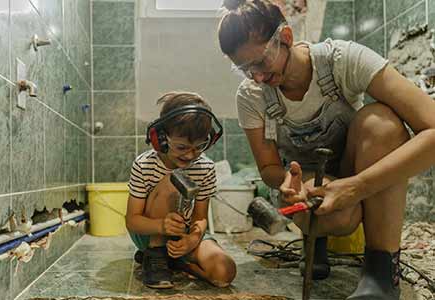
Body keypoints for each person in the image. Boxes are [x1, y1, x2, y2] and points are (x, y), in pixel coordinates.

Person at [217, 0, 435, 299]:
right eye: (244, 69)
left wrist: (357, 187)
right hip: (306, 183)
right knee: (338, 217)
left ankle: (382, 272)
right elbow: (268, 168)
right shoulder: (253, 95)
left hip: (352, 169)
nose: (256, 77)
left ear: (286, 38)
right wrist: (287, 183)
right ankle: (314, 239)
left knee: (381, 124)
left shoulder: (343, 60)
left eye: (261, 63)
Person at [126, 91, 237, 289]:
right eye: (181, 147)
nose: (190, 155)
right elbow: (132, 221)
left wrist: (192, 240)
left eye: (199, 147)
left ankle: (177, 262)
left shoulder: (205, 168)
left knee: (224, 272)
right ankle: (156, 255)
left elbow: (200, 217)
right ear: (160, 138)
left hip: (184, 233)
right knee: (173, 180)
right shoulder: (144, 165)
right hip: (150, 233)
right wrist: (161, 226)